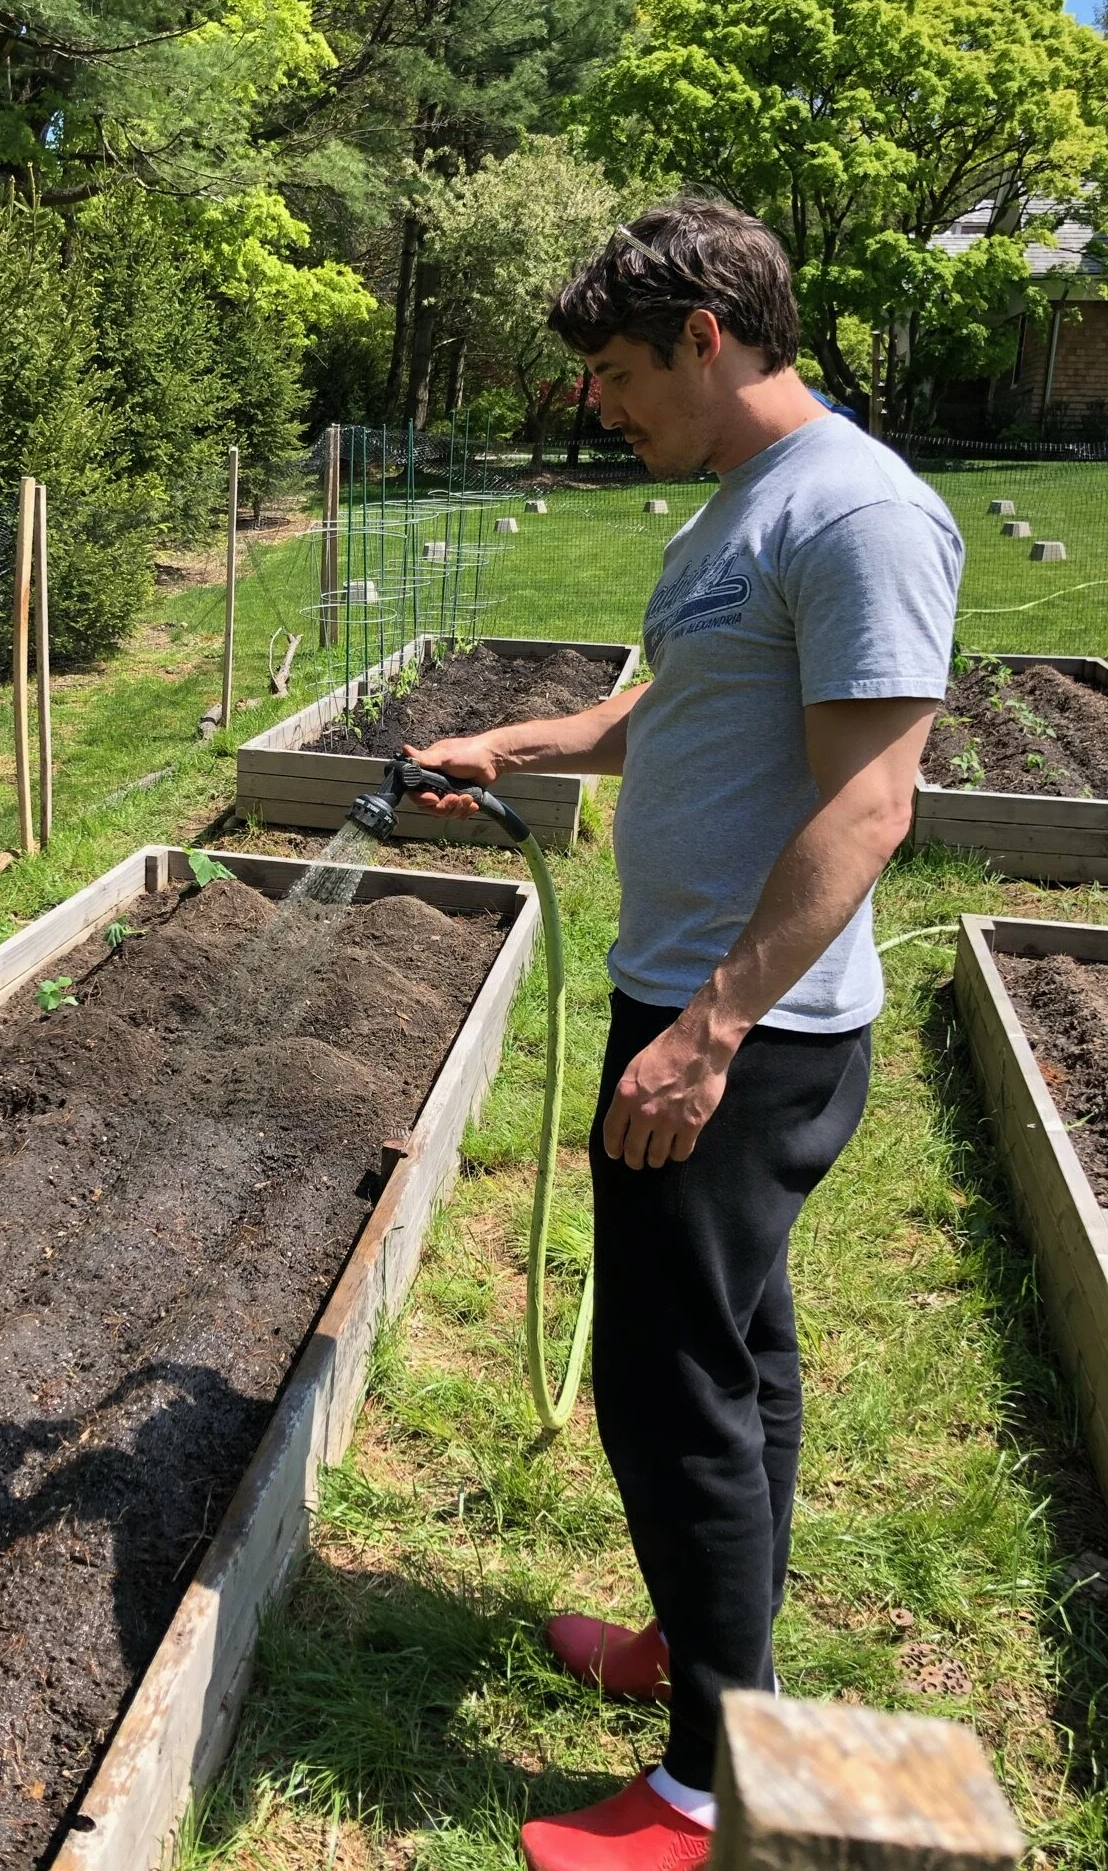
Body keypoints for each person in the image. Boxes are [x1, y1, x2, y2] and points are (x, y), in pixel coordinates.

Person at [407, 202, 963, 1871]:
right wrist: (517, 739)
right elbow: (679, 706)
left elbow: (874, 799)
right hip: (700, 1004)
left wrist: (712, 1028)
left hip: (745, 1029)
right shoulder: (750, 506)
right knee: (740, 1358)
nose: (599, 404)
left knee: (669, 1385)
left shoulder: (859, 510)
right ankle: (711, 1653)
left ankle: (713, 1786)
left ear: (707, 337)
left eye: (616, 372)